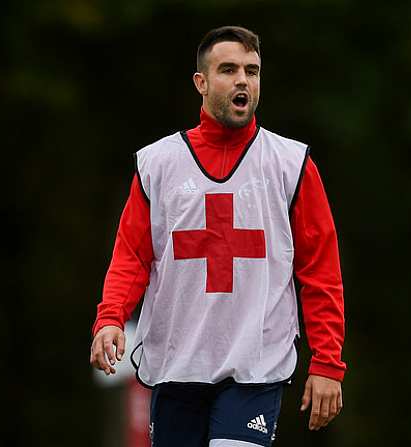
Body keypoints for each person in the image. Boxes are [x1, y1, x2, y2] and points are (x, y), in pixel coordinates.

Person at [89, 26, 346, 447]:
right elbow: (133, 255)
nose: (243, 80)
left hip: (256, 365)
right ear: (201, 83)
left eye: (252, 70)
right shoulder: (158, 164)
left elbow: (320, 270)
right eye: (228, 69)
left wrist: (328, 363)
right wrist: (111, 318)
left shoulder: (291, 164)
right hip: (177, 362)